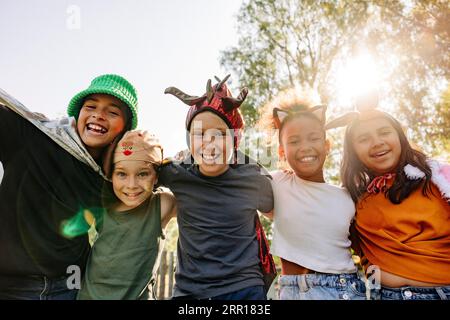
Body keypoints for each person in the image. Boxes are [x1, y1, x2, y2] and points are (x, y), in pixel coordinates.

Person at [0, 74, 138, 299]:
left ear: (125, 130)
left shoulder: (114, 178)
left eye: (112, 112)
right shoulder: (33, 136)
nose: (98, 115)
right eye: (91, 106)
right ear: (79, 114)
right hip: (10, 288)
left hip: (68, 289)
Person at [159, 75, 275, 300]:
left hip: (244, 289)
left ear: (235, 139)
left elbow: (278, 206)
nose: (209, 142)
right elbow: (136, 171)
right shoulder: (175, 172)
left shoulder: (252, 177)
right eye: (200, 134)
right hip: (190, 292)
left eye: (220, 134)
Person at [328, 96, 450, 300]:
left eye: (384, 132)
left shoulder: (438, 179)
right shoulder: (353, 197)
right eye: (363, 139)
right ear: (354, 152)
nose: (377, 143)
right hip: (383, 294)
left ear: (400, 137)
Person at [258, 89, 366, 300]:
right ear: (281, 152)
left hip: (344, 289)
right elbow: (232, 183)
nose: (305, 147)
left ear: (326, 146)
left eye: (313, 138)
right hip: (293, 290)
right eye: (294, 141)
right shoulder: (276, 183)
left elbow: (364, 247)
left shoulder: (347, 198)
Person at [76, 131, 177, 300]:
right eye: (121, 174)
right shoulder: (102, 202)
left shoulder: (161, 205)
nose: (131, 185)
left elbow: (198, 201)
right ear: (111, 175)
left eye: (143, 174)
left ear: (157, 175)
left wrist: (172, 169)